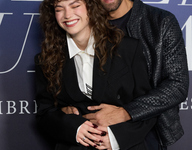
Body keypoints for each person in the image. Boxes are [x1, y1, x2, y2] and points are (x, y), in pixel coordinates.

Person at [63, 0, 189, 150]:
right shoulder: (80, 20)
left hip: (146, 130)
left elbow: (177, 84)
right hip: (94, 136)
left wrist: (127, 113)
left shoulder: (160, 21)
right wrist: (63, 111)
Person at [35, 0, 157, 149]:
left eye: (75, 6)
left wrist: (115, 138)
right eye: (59, 9)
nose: (68, 15)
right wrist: (74, 128)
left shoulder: (128, 49)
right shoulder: (46, 59)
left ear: (90, 7)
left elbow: (147, 108)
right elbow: (45, 114)